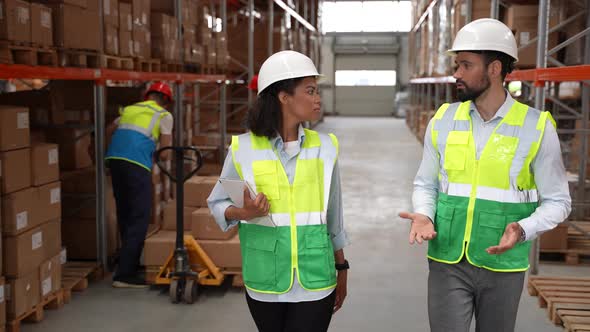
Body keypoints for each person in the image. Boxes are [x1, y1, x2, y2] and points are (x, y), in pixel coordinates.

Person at [399, 18, 571, 332]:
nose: (456, 73)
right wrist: (424, 214)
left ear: (494, 69)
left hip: (504, 264)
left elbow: (558, 201)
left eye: (466, 65)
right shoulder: (444, 119)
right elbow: (426, 182)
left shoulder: (535, 126)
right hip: (448, 259)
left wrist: (523, 229)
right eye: (456, 65)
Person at [207, 50, 350, 332]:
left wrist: (342, 268)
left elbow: (334, 216)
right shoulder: (243, 149)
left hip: (316, 278)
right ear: (284, 97)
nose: (318, 98)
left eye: (317, 90)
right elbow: (218, 203)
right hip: (265, 278)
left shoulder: (326, 147)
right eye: (310, 91)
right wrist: (244, 212)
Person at [105, 82, 174, 288]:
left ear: (147, 95)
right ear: (166, 101)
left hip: (115, 160)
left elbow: (110, 130)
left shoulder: (130, 109)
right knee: (140, 215)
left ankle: (128, 263)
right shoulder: (164, 115)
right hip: (137, 163)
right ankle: (125, 274)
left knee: (125, 212)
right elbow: (167, 150)